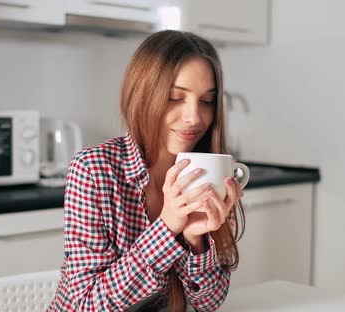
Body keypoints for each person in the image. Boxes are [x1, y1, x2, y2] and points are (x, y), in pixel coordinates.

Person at [48, 30, 245, 312]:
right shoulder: (93, 170)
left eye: (206, 101)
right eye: (176, 97)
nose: (194, 117)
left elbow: (209, 303)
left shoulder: (212, 172)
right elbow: (84, 305)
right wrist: (166, 228)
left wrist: (195, 241)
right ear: (143, 95)